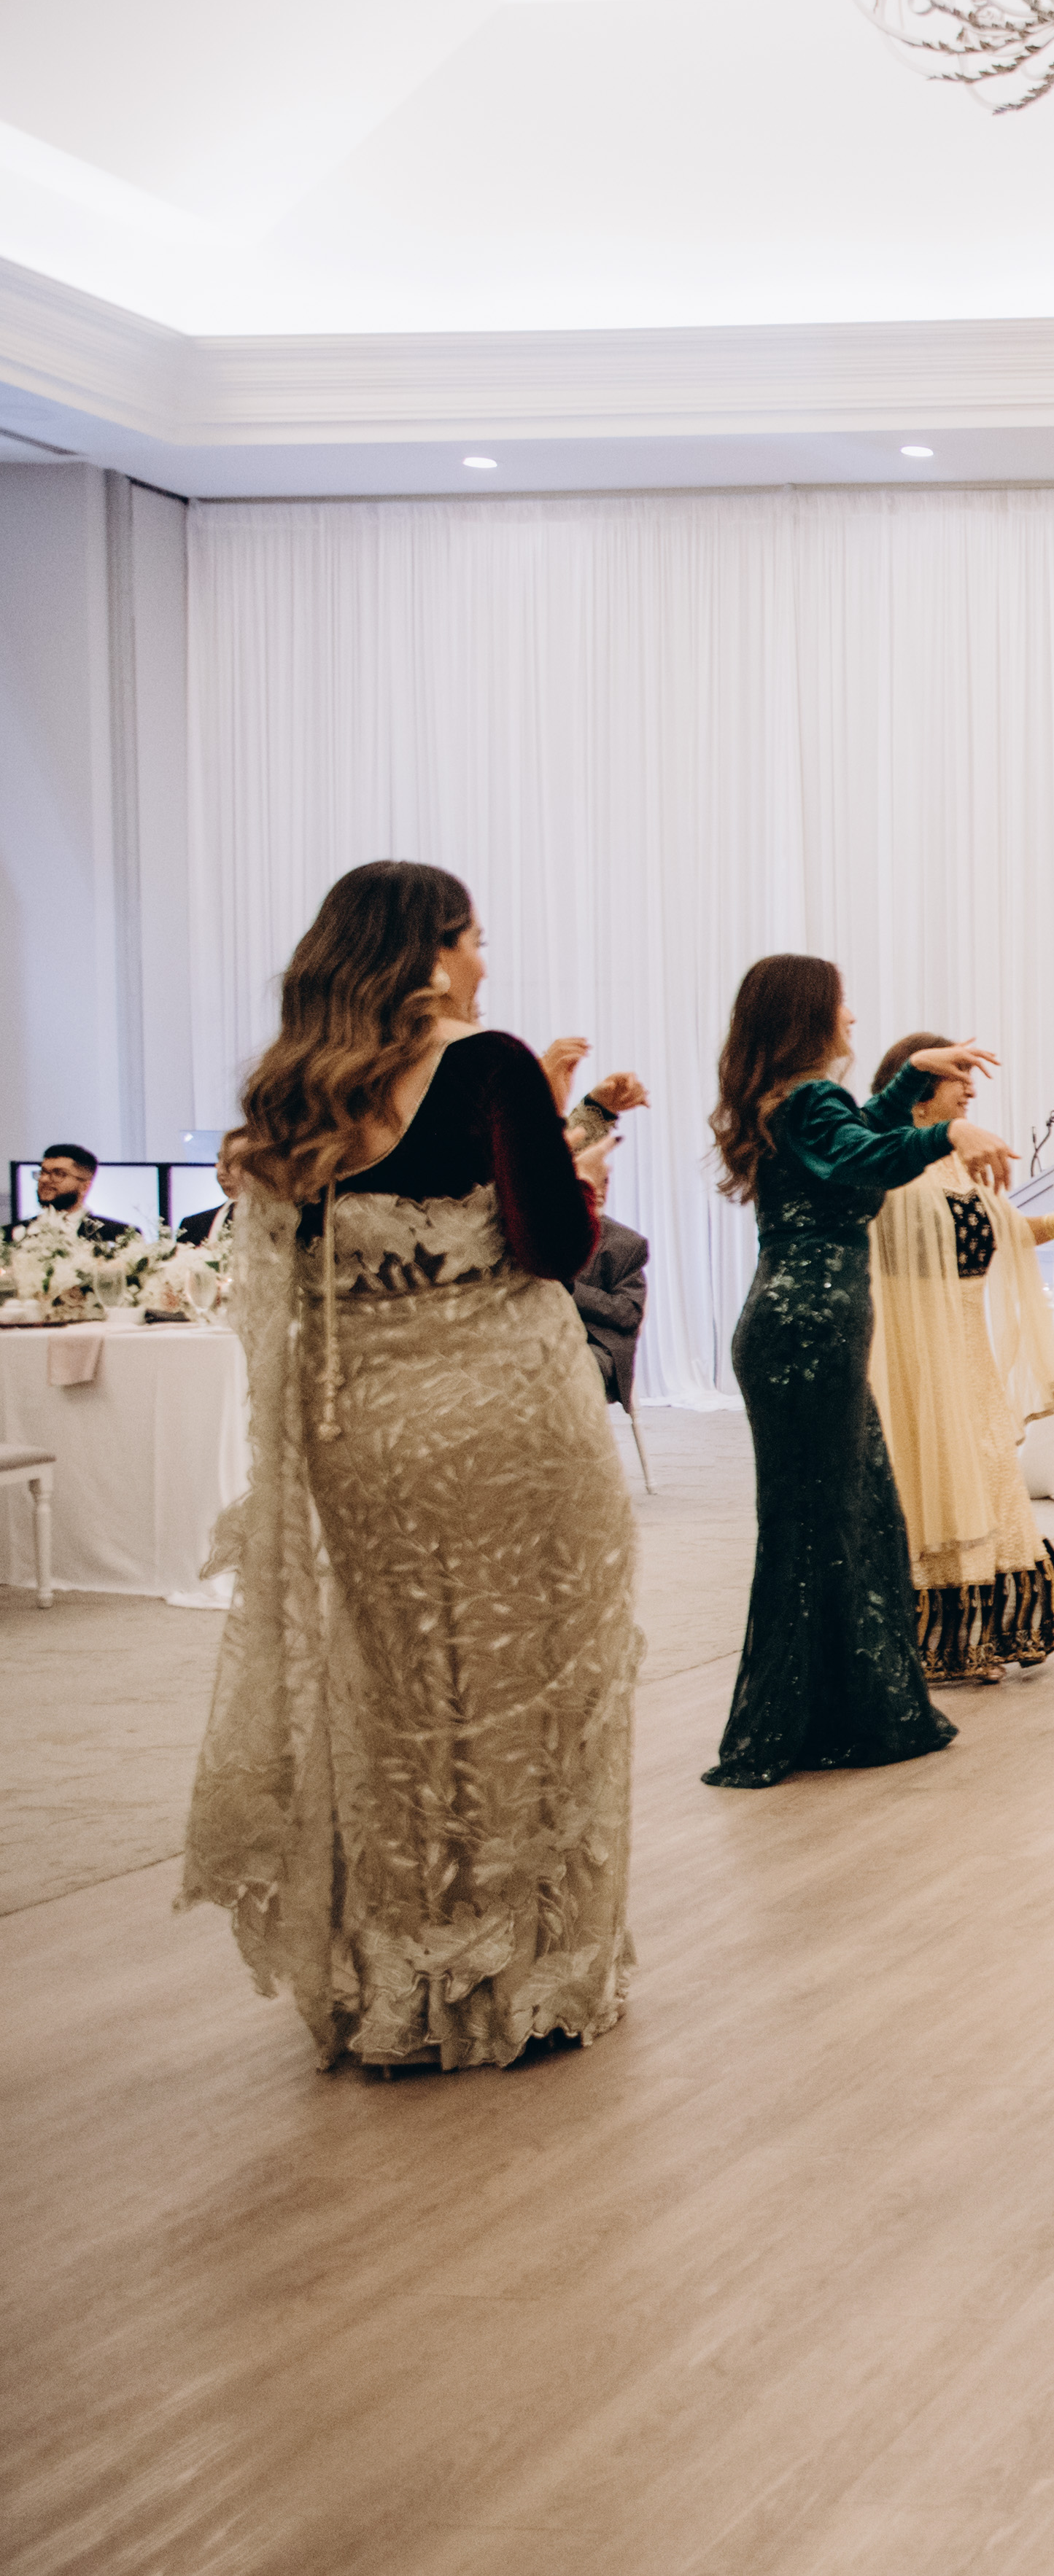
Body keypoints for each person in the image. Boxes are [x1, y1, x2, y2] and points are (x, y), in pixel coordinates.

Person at [176, 861, 639, 2071]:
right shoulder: (487, 1065)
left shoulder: (290, 1094)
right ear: (433, 952)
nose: (486, 960)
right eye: (475, 937)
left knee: (399, 1689)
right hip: (506, 1416)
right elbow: (550, 1245)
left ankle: (404, 1967)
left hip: (364, 1428)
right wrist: (583, 1169)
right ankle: (514, 1974)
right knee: (531, 1677)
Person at [700, 958, 1005, 1787]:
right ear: (810, 1015)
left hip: (799, 1325)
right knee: (822, 1523)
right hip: (809, 1329)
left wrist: (912, 1077)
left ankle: (839, 1713)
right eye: (841, 1004)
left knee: (848, 1515)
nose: (852, 1018)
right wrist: (945, 1133)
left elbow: (853, 1138)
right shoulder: (807, 1099)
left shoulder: (794, 1099)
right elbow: (863, 1157)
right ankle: (814, 1721)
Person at [863, 1031, 1054, 1686]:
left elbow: (1006, 1230)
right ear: (919, 1092)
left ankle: (983, 1632)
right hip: (913, 1350)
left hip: (966, 1348)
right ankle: (925, 1635)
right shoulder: (887, 1159)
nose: (971, 1089)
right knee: (931, 1475)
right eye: (959, 1078)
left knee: (986, 1472)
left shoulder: (957, 1164)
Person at [569, 1117, 650, 1409]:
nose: (600, 1189)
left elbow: (628, 1313)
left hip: (598, 1346)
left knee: (568, 1371)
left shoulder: (626, 1243)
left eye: (605, 1181)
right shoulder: (536, 1234)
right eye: (592, 1180)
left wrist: (568, 1290)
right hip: (541, 1339)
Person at [16, 1143, 136, 1256]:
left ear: (85, 1187)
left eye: (59, 1174)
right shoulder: (14, 1234)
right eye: (43, 1172)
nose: (44, 1180)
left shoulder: (119, 1235)